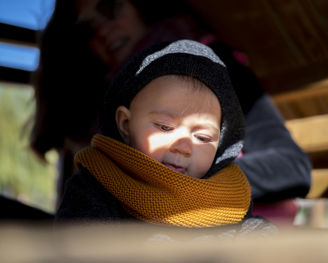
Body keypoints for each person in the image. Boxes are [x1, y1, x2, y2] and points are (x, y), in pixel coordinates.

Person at [31, 0, 311, 223]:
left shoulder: (214, 68)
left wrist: (179, 180)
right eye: (88, 30)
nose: (103, 30)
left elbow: (291, 167)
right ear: (125, 122)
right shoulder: (108, 104)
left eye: (110, 7)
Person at [56, 40, 277, 236]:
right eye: (164, 126)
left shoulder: (227, 193)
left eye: (202, 137)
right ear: (125, 125)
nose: (183, 147)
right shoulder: (98, 183)